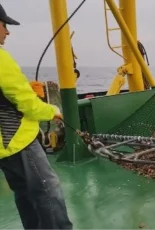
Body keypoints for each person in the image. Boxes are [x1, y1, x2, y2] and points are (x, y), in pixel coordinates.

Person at [0, 4, 73, 230]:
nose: (7, 32)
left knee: (23, 192)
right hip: (19, 141)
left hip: (3, 148)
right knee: (47, 191)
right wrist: (53, 111)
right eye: (4, 25)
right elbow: (28, 105)